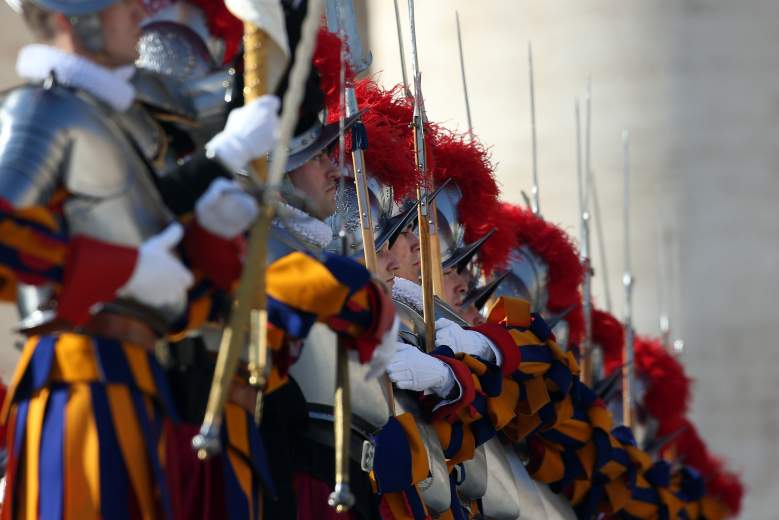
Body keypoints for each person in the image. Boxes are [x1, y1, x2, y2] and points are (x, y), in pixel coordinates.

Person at [0, 0, 279, 518]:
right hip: (78, 380)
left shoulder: (106, 122)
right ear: (72, 20)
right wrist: (124, 269)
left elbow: (171, 293)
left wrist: (208, 238)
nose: (136, 12)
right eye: (119, 6)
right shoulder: (43, 111)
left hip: (136, 383)